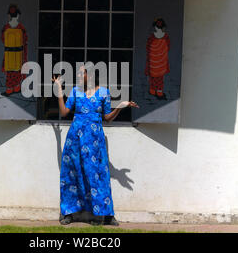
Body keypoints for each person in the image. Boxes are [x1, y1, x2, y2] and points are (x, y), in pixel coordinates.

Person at [52, 65, 138, 226]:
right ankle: (69, 213)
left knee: (99, 174)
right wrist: (58, 89)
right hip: (75, 139)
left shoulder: (103, 93)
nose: (78, 76)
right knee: (72, 173)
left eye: (80, 73)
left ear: (90, 75)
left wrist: (119, 106)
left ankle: (106, 215)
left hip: (95, 140)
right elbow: (64, 112)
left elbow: (108, 117)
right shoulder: (75, 92)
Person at [145, 17, 170, 99]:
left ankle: (152, 90)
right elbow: (168, 47)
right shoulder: (166, 37)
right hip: (161, 62)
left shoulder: (151, 38)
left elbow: (148, 48)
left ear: (155, 27)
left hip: (153, 61)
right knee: (160, 78)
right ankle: (159, 92)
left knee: (152, 77)